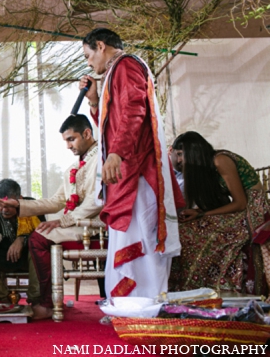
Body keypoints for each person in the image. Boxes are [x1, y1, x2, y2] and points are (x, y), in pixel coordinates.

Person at [80, 28, 184, 299]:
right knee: (129, 239)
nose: (88, 63)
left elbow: (133, 110)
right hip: (127, 172)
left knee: (142, 242)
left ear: (100, 46)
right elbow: (112, 127)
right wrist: (93, 101)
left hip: (137, 172)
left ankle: (145, 306)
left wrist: (117, 153)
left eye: (88, 55)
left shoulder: (126, 66)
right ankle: (130, 306)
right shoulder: (118, 70)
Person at [0, 114, 101, 319]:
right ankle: (44, 301)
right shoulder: (74, 168)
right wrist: (18, 204)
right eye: (66, 141)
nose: (68, 146)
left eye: (71, 139)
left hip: (94, 224)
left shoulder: (101, 161)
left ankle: (45, 303)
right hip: (78, 224)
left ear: (87, 133)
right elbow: (55, 201)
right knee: (39, 233)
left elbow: (96, 202)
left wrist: (63, 221)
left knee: (37, 238)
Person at [169, 131, 270, 295]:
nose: (179, 160)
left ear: (194, 150)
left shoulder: (220, 160)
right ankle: (193, 288)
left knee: (194, 232)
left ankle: (212, 286)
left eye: (181, 154)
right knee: (185, 229)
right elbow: (220, 203)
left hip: (254, 211)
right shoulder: (206, 168)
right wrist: (198, 212)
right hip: (240, 210)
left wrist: (203, 215)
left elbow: (240, 203)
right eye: (176, 155)